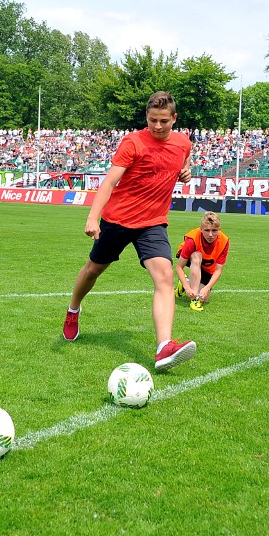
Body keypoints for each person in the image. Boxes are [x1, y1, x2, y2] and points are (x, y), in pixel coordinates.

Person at [62, 91, 197, 372]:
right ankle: (73, 309)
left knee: (165, 276)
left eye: (163, 121)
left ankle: (164, 347)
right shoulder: (133, 142)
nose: (157, 126)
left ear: (174, 118)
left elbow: (186, 159)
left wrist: (186, 172)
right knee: (93, 270)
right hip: (118, 220)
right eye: (152, 120)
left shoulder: (183, 142)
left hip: (153, 223)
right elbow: (109, 182)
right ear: (146, 117)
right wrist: (92, 217)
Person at [174, 211, 230, 311]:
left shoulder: (224, 240)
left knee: (204, 298)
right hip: (192, 258)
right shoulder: (192, 239)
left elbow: (218, 270)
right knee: (196, 256)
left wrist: (207, 287)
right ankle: (194, 301)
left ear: (219, 230)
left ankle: (185, 282)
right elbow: (179, 267)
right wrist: (188, 288)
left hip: (207, 266)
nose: (210, 234)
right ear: (201, 230)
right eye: (207, 230)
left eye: (214, 230)